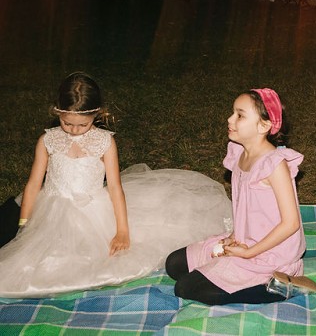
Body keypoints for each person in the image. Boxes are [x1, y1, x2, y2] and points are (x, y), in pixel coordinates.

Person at [0, 73, 231, 298]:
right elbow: (33, 184)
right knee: (34, 261)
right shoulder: (48, 140)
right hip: (52, 209)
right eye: (66, 123)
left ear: (96, 114)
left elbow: (115, 188)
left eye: (82, 124)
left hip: (92, 212)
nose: (74, 130)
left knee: (91, 259)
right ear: (57, 112)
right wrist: (24, 223)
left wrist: (122, 231)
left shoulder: (104, 142)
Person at [165, 88, 306, 305]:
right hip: (246, 240)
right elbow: (247, 208)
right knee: (174, 265)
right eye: (233, 112)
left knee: (185, 287)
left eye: (240, 115)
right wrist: (233, 237)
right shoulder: (240, 153)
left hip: (270, 251)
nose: (230, 119)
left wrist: (249, 253)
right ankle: (228, 272)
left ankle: (277, 287)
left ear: (263, 126)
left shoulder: (274, 165)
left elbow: (291, 223)